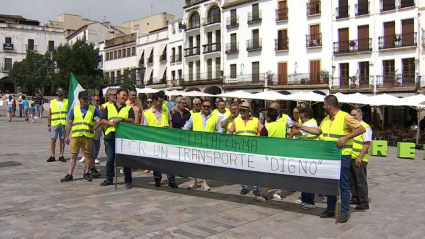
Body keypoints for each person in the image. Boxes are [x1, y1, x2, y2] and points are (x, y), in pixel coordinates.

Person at [293, 95, 366, 223]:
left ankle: (344, 212)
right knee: (329, 183)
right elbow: (318, 131)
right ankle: (330, 209)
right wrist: (302, 127)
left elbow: (361, 128)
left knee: (343, 184)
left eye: (323, 104)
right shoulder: (326, 119)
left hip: (343, 155)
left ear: (329, 105)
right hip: (329, 156)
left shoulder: (345, 117)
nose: (322, 106)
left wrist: (345, 138)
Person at [61, 91, 102, 182]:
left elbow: (103, 116)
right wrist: (67, 136)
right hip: (76, 135)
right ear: (79, 99)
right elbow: (70, 123)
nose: (85, 100)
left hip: (87, 135)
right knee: (73, 155)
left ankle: (86, 172)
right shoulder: (74, 109)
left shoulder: (92, 109)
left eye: (86, 99)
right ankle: (70, 174)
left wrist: (97, 125)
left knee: (87, 155)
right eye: (83, 99)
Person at [182, 99, 222, 190]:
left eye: (208, 106)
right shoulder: (194, 116)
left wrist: (214, 137)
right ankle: (194, 182)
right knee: (194, 163)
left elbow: (220, 131)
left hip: (208, 144)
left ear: (211, 107)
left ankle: (204, 182)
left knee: (206, 164)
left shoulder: (215, 117)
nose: (206, 108)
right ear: (201, 107)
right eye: (204, 106)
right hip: (196, 143)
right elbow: (186, 127)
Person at [99, 89, 135, 189]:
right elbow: (102, 120)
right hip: (110, 136)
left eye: (126, 95)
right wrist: (110, 123)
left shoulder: (128, 109)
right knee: (110, 159)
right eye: (123, 95)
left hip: (123, 137)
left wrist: (122, 119)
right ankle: (109, 178)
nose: (125, 97)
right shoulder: (109, 107)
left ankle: (128, 180)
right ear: (118, 96)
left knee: (125, 159)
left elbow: (132, 120)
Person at [228, 102, 263, 197]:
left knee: (254, 170)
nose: (241, 112)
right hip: (241, 150)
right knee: (243, 169)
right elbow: (230, 132)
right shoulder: (236, 120)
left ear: (249, 111)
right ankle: (244, 187)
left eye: (243, 110)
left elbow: (263, 132)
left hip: (253, 149)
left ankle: (256, 188)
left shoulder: (256, 121)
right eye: (241, 110)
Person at [143, 91, 177, 188]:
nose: (161, 103)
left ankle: (171, 180)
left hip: (166, 138)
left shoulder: (165, 109)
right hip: (155, 139)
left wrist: (171, 133)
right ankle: (157, 179)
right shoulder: (148, 113)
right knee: (156, 161)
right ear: (154, 101)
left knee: (169, 160)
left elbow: (170, 122)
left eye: (162, 101)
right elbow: (145, 128)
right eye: (159, 102)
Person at [289, 107, 318, 210]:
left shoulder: (310, 124)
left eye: (301, 117)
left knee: (308, 179)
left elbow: (295, 132)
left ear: (308, 117)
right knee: (303, 178)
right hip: (304, 154)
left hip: (310, 155)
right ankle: (304, 199)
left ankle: (310, 201)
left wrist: (291, 134)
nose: (300, 119)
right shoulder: (305, 123)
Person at [350, 108, 372, 210]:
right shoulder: (352, 126)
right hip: (351, 156)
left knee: (360, 181)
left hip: (359, 159)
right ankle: (355, 198)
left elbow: (367, 144)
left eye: (355, 115)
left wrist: (360, 157)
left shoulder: (365, 127)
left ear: (360, 116)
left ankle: (363, 201)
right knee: (352, 180)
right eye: (351, 115)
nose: (353, 117)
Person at [47, 88, 68, 163]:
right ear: (56, 93)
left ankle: (61, 155)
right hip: (54, 123)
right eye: (58, 92)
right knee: (53, 139)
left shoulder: (66, 101)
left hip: (63, 123)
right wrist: (49, 124)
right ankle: (52, 155)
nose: (59, 93)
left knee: (62, 140)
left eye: (61, 92)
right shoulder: (52, 102)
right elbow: (50, 113)